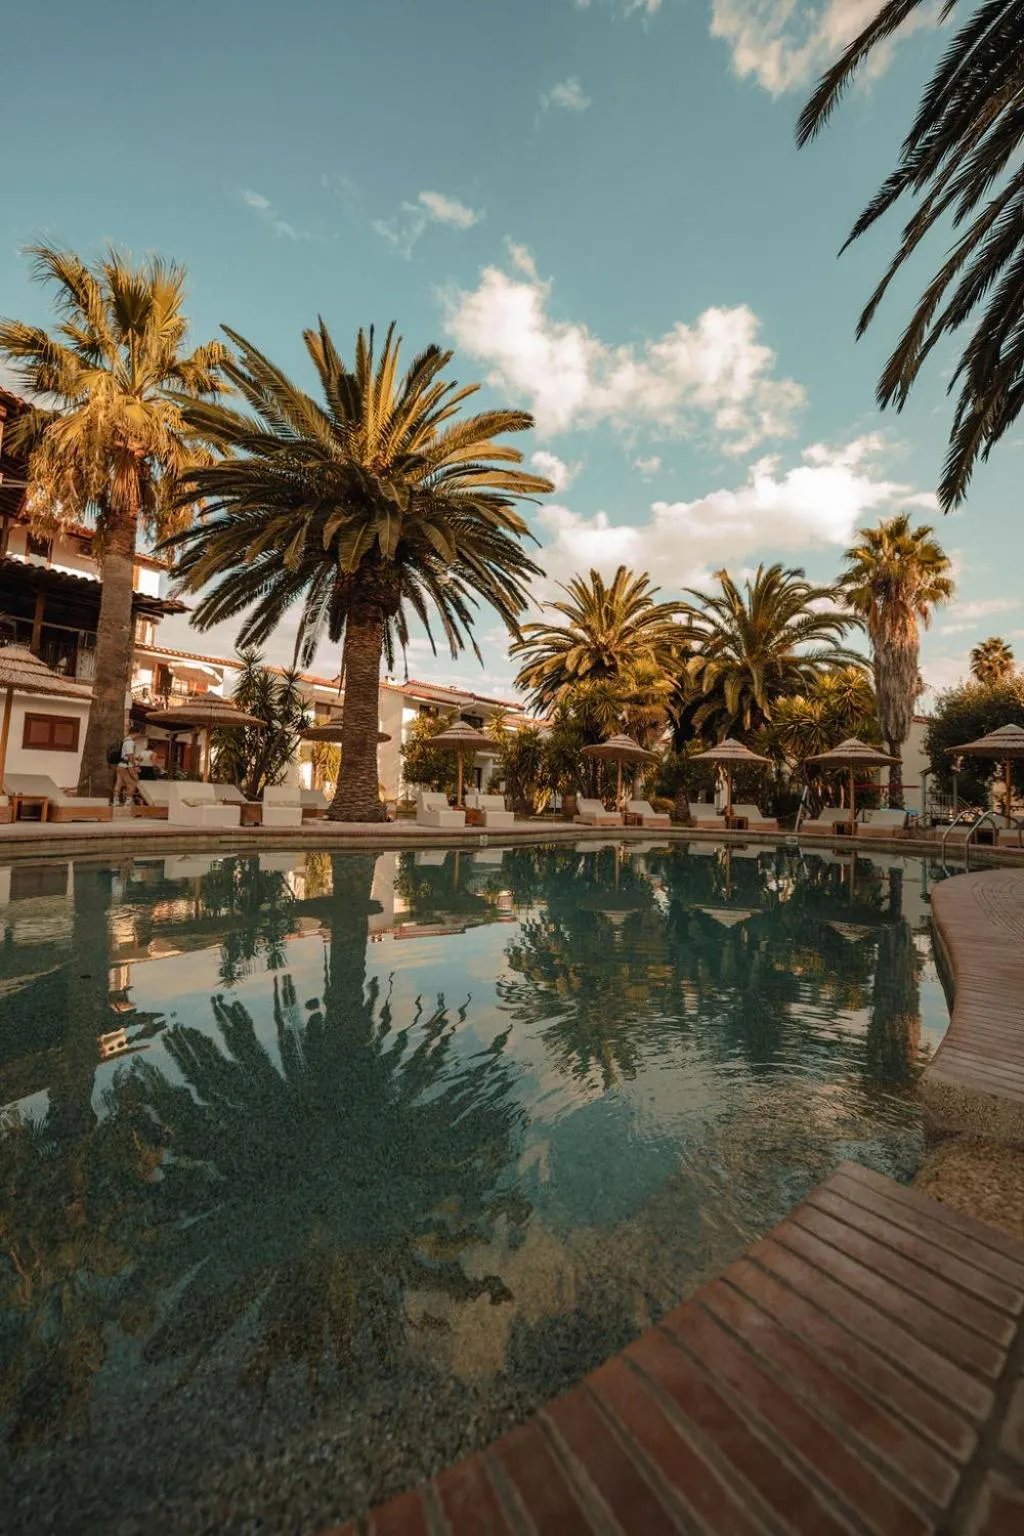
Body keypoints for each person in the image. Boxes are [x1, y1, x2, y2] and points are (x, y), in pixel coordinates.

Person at [112, 728, 143, 805]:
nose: (138, 737)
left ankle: (116, 800)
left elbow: (126, 755)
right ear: (136, 733)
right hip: (126, 765)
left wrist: (134, 758)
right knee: (133, 783)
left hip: (120, 765)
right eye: (139, 735)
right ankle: (128, 800)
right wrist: (135, 766)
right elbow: (129, 755)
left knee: (119, 783)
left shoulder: (124, 741)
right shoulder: (130, 742)